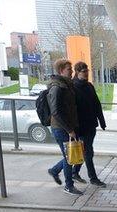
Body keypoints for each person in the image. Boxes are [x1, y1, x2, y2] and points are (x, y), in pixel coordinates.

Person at [45, 59, 82, 195]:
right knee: (69, 157)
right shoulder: (57, 87)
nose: (71, 71)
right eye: (69, 69)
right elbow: (55, 111)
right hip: (61, 128)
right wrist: (69, 129)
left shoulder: (67, 85)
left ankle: (54, 170)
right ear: (61, 71)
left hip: (69, 126)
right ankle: (69, 186)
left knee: (71, 154)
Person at [70, 61, 107, 187]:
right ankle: (93, 178)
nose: (86, 73)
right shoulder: (73, 87)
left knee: (84, 151)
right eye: (83, 71)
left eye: (87, 71)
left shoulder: (89, 86)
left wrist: (102, 121)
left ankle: (74, 172)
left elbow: (97, 104)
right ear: (77, 72)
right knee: (88, 152)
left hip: (91, 124)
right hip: (81, 126)